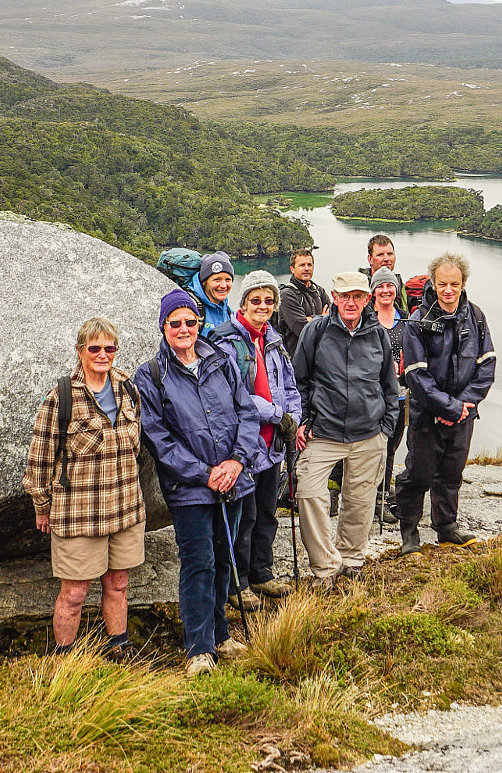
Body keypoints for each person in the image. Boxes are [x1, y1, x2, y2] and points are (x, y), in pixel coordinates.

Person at [135, 289, 265, 675]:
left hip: (235, 481)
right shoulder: (152, 375)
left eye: (190, 321)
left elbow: (247, 413)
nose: (184, 328)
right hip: (190, 490)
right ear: (163, 327)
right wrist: (206, 473)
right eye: (175, 322)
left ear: (199, 323)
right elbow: (157, 438)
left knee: (225, 560)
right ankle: (198, 649)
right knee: (199, 563)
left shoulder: (221, 362)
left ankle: (221, 636)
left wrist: (237, 462)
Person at [22, 317, 146, 662]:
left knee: (118, 585)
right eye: (95, 348)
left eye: (110, 348)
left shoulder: (127, 389)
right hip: (79, 514)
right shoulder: (61, 396)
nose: (103, 354)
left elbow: (136, 448)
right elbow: (40, 459)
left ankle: (118, 648)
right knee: (75, 592)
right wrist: (42, 507)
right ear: (80, 352)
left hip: (125, 508)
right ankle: (65, 660)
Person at [292, 271, 399, 586]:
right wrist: (303, 420)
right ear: (334, 298)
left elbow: (389, 385)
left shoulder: (378, 334)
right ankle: (326, 567)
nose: (350, 302)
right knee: (309, 493)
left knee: (360, 499)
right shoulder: (316, 331)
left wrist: (386, 427)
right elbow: (299, 380)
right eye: (344, 296)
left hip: (369, 432)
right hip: (324, 431)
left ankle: (351, 559)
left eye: (357, 296)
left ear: (367, 299)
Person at [209, 270, 303, 604]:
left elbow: (289, 387)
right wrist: (280, 415)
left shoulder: (272, 339)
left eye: (268, 301)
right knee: (243, 517)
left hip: (273, 444)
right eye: (255, 300)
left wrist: (294, 414)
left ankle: (263, 573)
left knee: (267, 510)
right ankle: (239, 583)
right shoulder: (225, 342)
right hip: (245, 443)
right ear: (244, 303)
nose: (262, 306)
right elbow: (236, 396)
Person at [399, 252, 496, 554]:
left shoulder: (476, 317)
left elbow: (487, 365)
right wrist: (447, 408)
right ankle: (409, 533)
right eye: (442, 284)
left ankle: (446, 527)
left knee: (452, 473)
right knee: (419, 474)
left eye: (454, 284)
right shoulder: (418, 322)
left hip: (463, 416)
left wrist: (462, 407)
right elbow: (415, 375)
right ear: (434, 283)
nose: (448, 290)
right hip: (427, 416)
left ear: (463, 283)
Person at [371, 266, 409, 522]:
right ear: (373, 291)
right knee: (374, 448)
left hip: (400, 396)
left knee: (392, 448)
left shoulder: (405, 318)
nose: (386, 291)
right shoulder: (366, 318)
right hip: (373, 396)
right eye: (381, 286)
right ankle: (372, 499)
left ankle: (384, 495)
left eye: (390, 286)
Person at [277, 249, 330, 356]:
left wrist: (310, 319)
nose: (306, 268)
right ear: (292, 269)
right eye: (302, 265)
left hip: (319, 357)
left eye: (309, 265)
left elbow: (334, 318)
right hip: (295, 360)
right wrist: (322, 318)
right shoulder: (287, 295)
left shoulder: (319, 291)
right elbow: (302, 330)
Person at [359, 234, 410, 313]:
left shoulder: (401, 286)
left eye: (390, 254)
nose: (386, 259)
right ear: (370, 259)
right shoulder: (359, 286)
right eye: (380, 255)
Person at [190, 251, 235, 337]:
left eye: (228, 280)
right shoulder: (193, 309)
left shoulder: (230, 313)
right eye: (217, 279)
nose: (223, 285)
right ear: (204, 282)